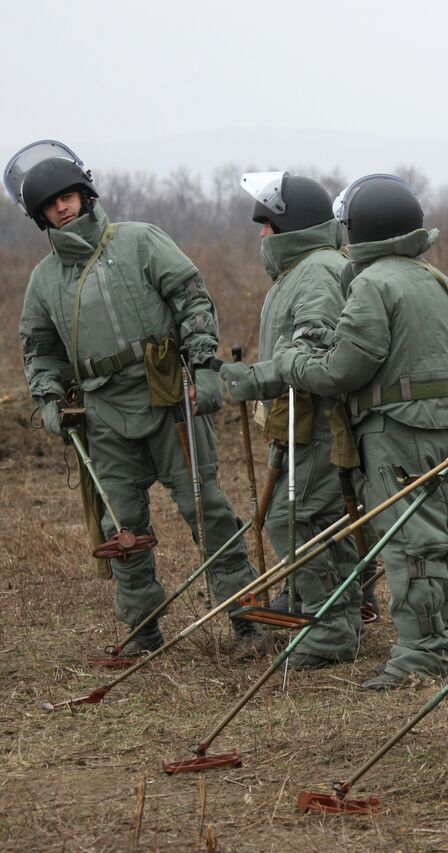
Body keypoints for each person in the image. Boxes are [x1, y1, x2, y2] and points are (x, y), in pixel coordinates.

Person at [12, 142, 262, 657]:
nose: (62, 207)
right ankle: (144, 631)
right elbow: (39, 349)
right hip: (103, 413)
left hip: (169, 399)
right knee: (121, 526)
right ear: (39, 215)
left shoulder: (140, 241)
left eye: (68, 196)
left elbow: (193, 300)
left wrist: (205, 369)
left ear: (85, 193)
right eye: (50, 203)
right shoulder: (43, 282)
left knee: (208, 510)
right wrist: (48, 397)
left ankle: (248, 621)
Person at [277, 175, 448, 691]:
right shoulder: (433, 276)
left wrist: (294, 362)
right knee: (437, 534)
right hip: (436, 424)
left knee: (409, 540)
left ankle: (421, 656)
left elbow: (344, 369)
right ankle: (442, 641)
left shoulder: (373, 283)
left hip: (392, 428)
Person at [220, 172, 365, 669]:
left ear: (292, 227)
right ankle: (323, 608)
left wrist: (253, 378)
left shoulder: (318, 270)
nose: (262, 236)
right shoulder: (299, 268)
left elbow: (314, 345)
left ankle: (329, 631)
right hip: (299, 418)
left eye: (268, 226)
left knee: (296, 518)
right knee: (318, 519)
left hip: (323, 421)